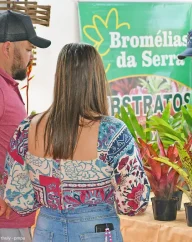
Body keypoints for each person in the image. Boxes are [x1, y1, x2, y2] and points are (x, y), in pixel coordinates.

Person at [3, 43, 150, 242]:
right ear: (97, 79)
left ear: (60, 79)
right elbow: (134, 201)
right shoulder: (112, 133)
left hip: (47, 231)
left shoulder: (27, 129)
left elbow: (19, 199)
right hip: (98, 230)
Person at [0, 10, 51, 241]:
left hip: (14, 218)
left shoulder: (7, 85)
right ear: (8, 47)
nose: (31, 57)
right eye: (29, 49)